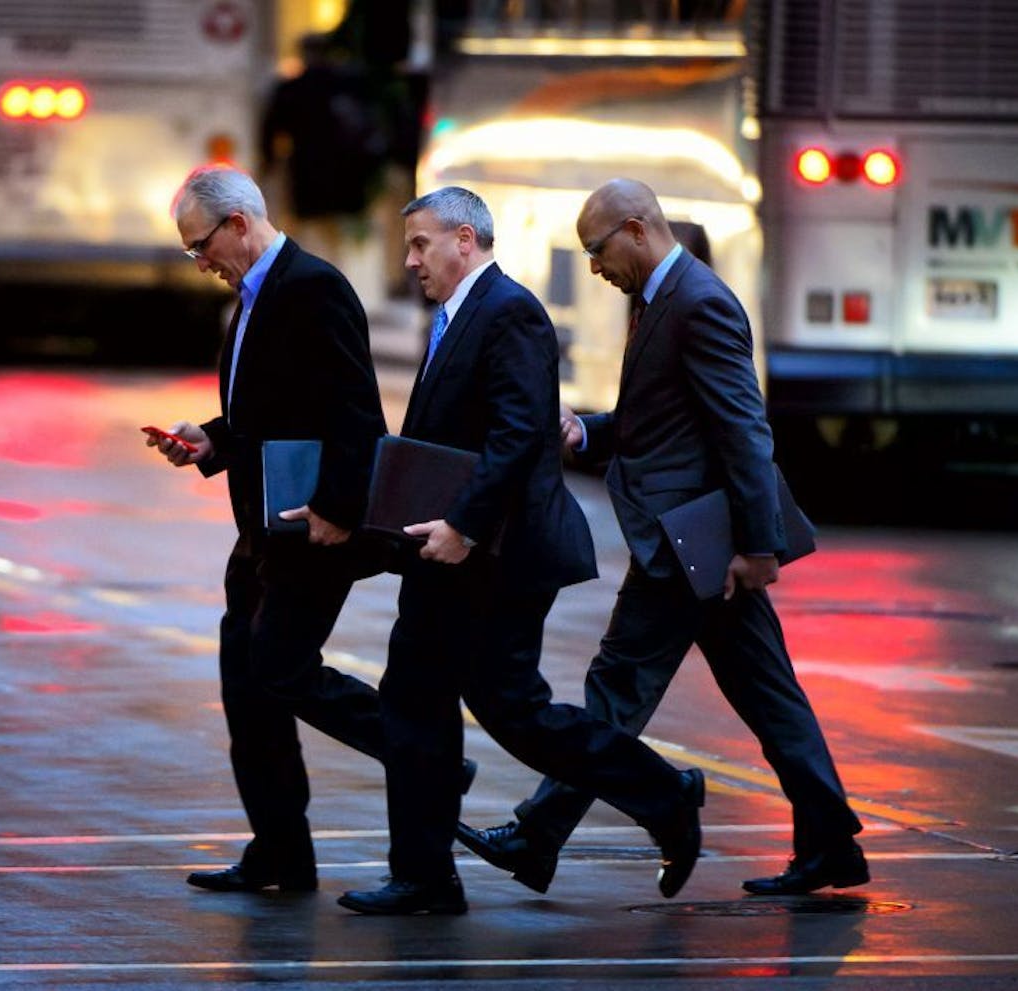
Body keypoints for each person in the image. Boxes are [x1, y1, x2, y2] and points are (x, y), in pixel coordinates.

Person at [456, 178, 869, 897]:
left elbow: (743, 430)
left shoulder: (699, 303)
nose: (593, 267)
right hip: (694, 542)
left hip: (694, 546)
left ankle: (543, 832)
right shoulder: (658, 300)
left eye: (598, 248)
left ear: (638, 229)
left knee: (618, 686)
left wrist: (760, 546)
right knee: (767, 694)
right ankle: (830, 840)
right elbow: (660, 422)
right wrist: (590, 430)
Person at [336, 186, 705, 916]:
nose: (410, 260)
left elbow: (517, 438)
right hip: (447, 554)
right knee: (412, 699)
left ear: (465, 239)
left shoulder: (511, 314)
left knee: (515, 710)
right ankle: (424, 874)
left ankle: (665, 792)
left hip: (500, 555)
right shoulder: (454, 316)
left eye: (420, 244)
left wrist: (463, 525)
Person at [145, 165, 398, 895]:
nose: (201, 263)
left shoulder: (312, 287)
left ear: (238, 224)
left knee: (280, 668)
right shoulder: (255, 296)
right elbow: (273, 414)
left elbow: (355, 415)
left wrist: (339, 510)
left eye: (201, 247)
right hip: (262, 531)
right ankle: (281, 851)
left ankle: (415, 741)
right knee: (248, 691)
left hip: (314, 528)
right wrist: (212, 440)